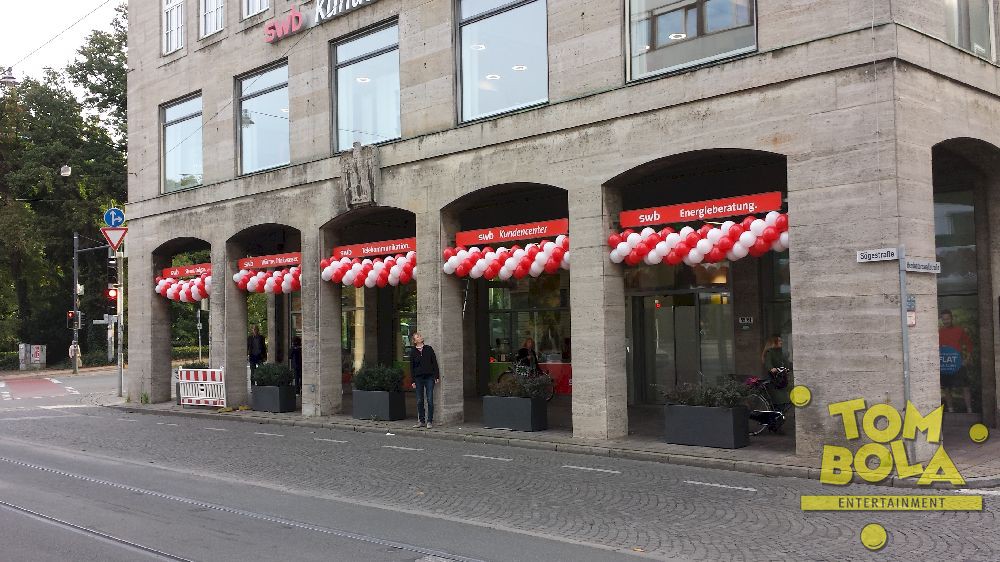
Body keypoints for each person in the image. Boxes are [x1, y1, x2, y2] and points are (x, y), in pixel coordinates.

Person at [939, 309, 974, 413]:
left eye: (948, 319)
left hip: (958, 363)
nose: (946, 321)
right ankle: (951, 411)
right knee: (946, 388)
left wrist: (967, 359)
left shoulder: (959, 330)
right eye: (944, 319)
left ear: (951, 318)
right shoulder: (939, 332)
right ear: (942, 320)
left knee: (965, 387)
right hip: (945, 363)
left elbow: (969, 344)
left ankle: (969, 411)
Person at [409, 332, 439, 428]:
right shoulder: (413, 352)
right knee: (419, 400)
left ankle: (429, 421)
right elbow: (412, 367)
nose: (420, 337)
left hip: (429, 377)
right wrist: (413, 381)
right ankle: (421, 421)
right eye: (417, 337)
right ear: (414, 341)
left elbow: (434, 363)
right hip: (418, 378)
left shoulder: (429, 349)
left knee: (430, 399)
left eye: (420, 336)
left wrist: (436, 376)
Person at [761, 335, 791, 406]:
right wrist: (771, 368)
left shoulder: (780, 352)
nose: (781, 342)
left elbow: (785, 361)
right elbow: (768, 363)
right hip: (774, 378)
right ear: (774, 342)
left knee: (785, 395)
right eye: (779, 341)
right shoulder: (770, 352)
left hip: (781, 376)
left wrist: (787, 367)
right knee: (778, 397)